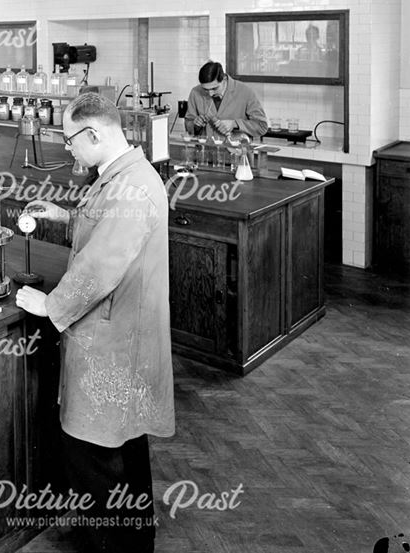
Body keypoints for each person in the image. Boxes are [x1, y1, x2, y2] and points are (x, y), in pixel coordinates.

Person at [15, 93, 174, 553]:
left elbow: (102, 264)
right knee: (124, 443)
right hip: (120, 335)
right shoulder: (121, 176)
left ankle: (114, 545)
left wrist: (51, 306)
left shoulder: (133, 187)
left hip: (114, 340)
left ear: (95, 134)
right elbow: (103, 229)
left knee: (95, 453)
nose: (68, 150)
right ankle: (136, 537)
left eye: (70, 141)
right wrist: (64, 217)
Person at [184, 60, 268, 139]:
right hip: (205, 152)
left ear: (224, 79)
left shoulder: (245, 92)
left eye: (214, 88)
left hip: (237, 152)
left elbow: (262, 126)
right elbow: (188, 125)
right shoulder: (196, 92)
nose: (210, 94)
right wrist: (195, 124)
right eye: (206, 90)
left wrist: (235, 124)